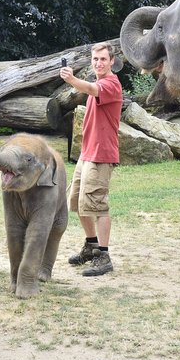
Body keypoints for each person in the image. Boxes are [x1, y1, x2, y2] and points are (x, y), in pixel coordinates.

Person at [59, 42, 123, 276]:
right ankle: (91, 245)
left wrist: (72, 81)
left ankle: (104, 256)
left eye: (103, 59)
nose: (98, 63)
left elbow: (91, 90)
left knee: (98, 205)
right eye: (95, 59)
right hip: (87, 154)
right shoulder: (98, 82)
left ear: (112, 61)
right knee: (78, 203)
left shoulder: (111, 84)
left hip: (101, 155)